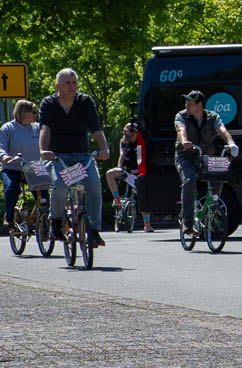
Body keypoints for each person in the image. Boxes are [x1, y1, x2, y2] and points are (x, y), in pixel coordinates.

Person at [38, 69, 111, 247]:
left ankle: (93, 230)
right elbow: (45, 128)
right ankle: (56, 222)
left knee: (94, 185)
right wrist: (43, 150)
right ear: (58, 86)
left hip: (82, 156)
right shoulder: (48, 103)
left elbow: (96, 128)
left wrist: (103, 148)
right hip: (58, 156)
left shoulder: (84, 101)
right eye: (67, 83)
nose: (72, 86)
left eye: (74, 83)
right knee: (61, 185)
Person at [174, 91, 240, 235]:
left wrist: (231, 143)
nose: (187, 105)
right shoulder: (181, 116)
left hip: (204, 156)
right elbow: (181, 130)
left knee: (219, 173)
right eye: (186, 102)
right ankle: (188, 222)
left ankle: (213, 207)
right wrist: (184, 142)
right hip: (185, 156)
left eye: (190, 103)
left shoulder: (213, 117)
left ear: (200, 105)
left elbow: (222, 130)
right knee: (189, 181)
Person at [1, 99, 42, 234]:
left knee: (44, 192)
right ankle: (9, 217)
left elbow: (48, 143)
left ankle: (45, 220)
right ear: (24, 113)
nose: (36, 114)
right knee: (12, 188)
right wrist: (5, 157)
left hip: (33, 167)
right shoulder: (8, 128)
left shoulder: (37, 127)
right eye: (33, 112)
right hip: (13, 167)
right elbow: (0, 147)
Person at [105, 119, 151, 231]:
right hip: (128, 173)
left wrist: (139, 171)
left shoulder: (142, 141)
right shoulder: (124, 142)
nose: (128, 138)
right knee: (110, 174)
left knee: (143, 195)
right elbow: (122, 155)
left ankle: (147, 224)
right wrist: (119, 167)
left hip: (140, 173)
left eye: (130, 135)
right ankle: (117, 199)